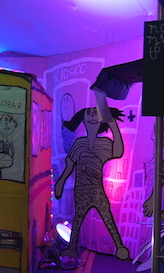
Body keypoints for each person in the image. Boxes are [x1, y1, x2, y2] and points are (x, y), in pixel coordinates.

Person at [54, 103, 130, 261]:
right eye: (89, 113)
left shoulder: (104, 143)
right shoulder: (79, 143)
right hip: (81, 189)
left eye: (96, 113)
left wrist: (112, 123)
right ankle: (72, 248)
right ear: (83, 120)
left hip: (96, 189)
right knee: (78, 219)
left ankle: (120, 246)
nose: (92, 116)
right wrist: (60, 182)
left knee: (107, 217)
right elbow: (69, 166)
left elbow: (118, 151)